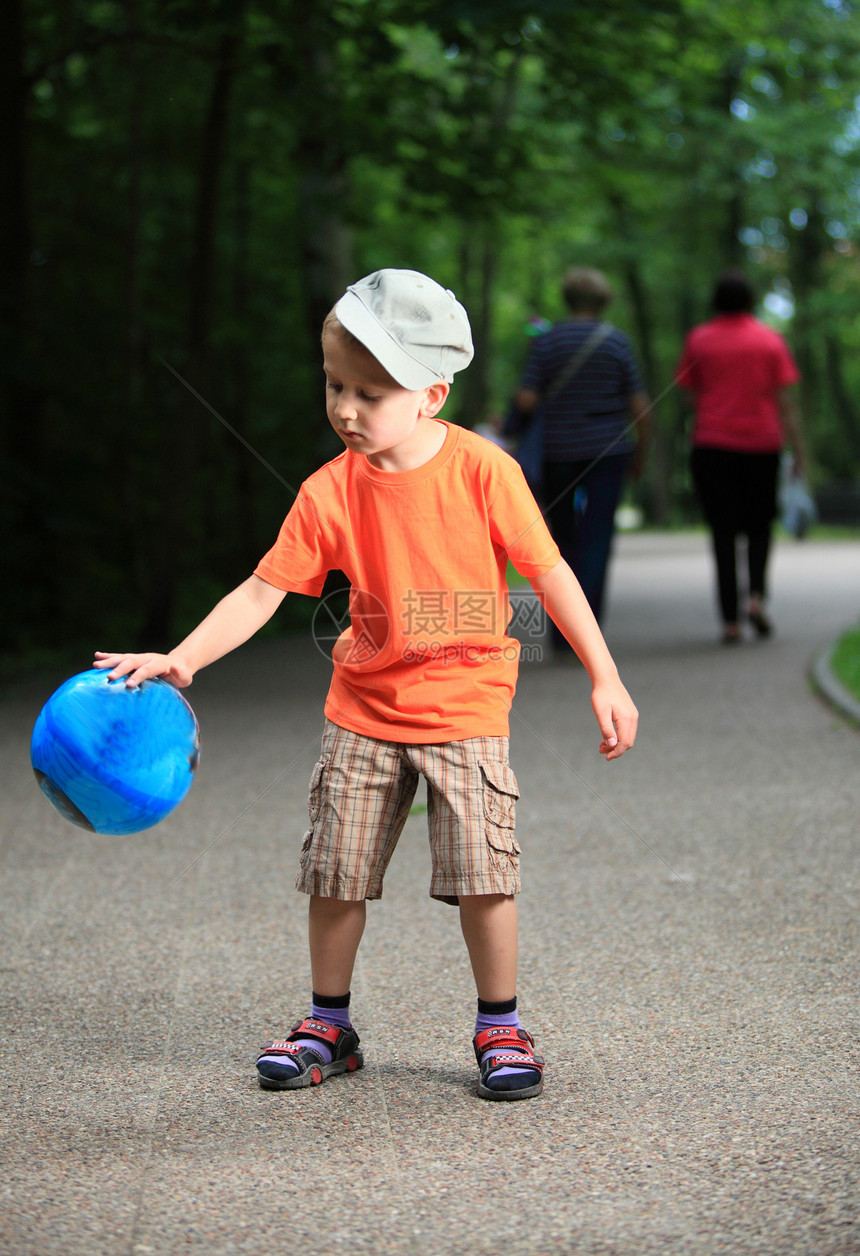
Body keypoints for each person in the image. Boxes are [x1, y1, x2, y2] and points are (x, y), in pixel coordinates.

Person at [94, 268, 638, 1102]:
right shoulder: (327, 490)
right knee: (336, 871)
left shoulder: (486, 473)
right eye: (335, 385)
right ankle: (329, 1023)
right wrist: (184, 658)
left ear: (430, 394)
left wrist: (604, 674)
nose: (346, 408)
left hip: (465, 710)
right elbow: (261, 590)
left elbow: (552, 572)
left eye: (370, 392)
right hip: (363, 711)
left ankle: (501, 1025)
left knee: (484, 874)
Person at [513, 267, 651, 645]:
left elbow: (526, 398)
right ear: (603, 301)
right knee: (598, 538)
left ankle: (562, 631)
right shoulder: (616, 342)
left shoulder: (548, 341)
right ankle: (588, 631)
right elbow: (640, 405)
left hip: (558, 452)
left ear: (567, 299)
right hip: (609, 451)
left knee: (563, 539)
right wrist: (642, 451)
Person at [676, 270, 805, 643]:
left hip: (712, 445)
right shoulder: (770, 341)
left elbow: (688, 394)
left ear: (716, 301)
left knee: (723, 531)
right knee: (760, 527)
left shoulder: (699, 340)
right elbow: (785, 401)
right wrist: (798, 451)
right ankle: (757, 599)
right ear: (751, 300)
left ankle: (729, 620)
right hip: (762, 446)